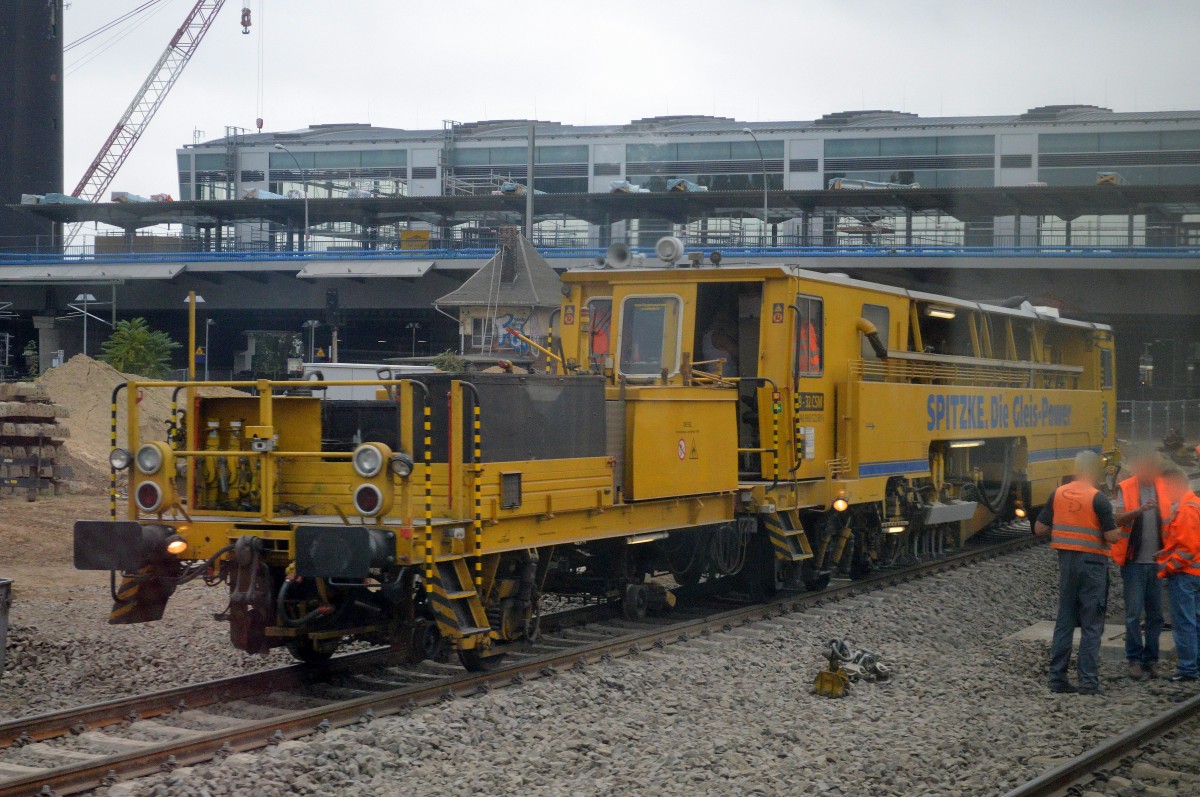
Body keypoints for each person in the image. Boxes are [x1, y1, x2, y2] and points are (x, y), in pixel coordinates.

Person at [1034, 450, 1121, 695]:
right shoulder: (1099, 498)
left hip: (1067, 565)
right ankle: (1088, 682)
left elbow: (1039, 528)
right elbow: (1110, 536)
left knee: (1065, 622)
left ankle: (1057, 680)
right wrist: (1121, 528)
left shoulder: (1058, 493)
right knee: (1092, 624)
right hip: (1092, 567)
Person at [1111, 452, 1169, 679]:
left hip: (1157, 562)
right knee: (1133, 614)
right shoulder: (1126, 487)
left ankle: (1151, 660)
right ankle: (1134, 659)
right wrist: (1139, 510)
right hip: (1133, 561)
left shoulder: (1163, 488)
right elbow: (1117, 519)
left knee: (1155, 615)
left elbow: (1171, 521)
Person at [1157, 466, 1200, 683]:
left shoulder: (1185, 509)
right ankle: (1195, 664)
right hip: (1194, 573)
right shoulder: (1194, 504)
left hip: (1185, 575)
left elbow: (1187, 548)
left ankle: (1188, 669)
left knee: (1184, 622)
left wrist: (1166, 568)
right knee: (1195, 620)